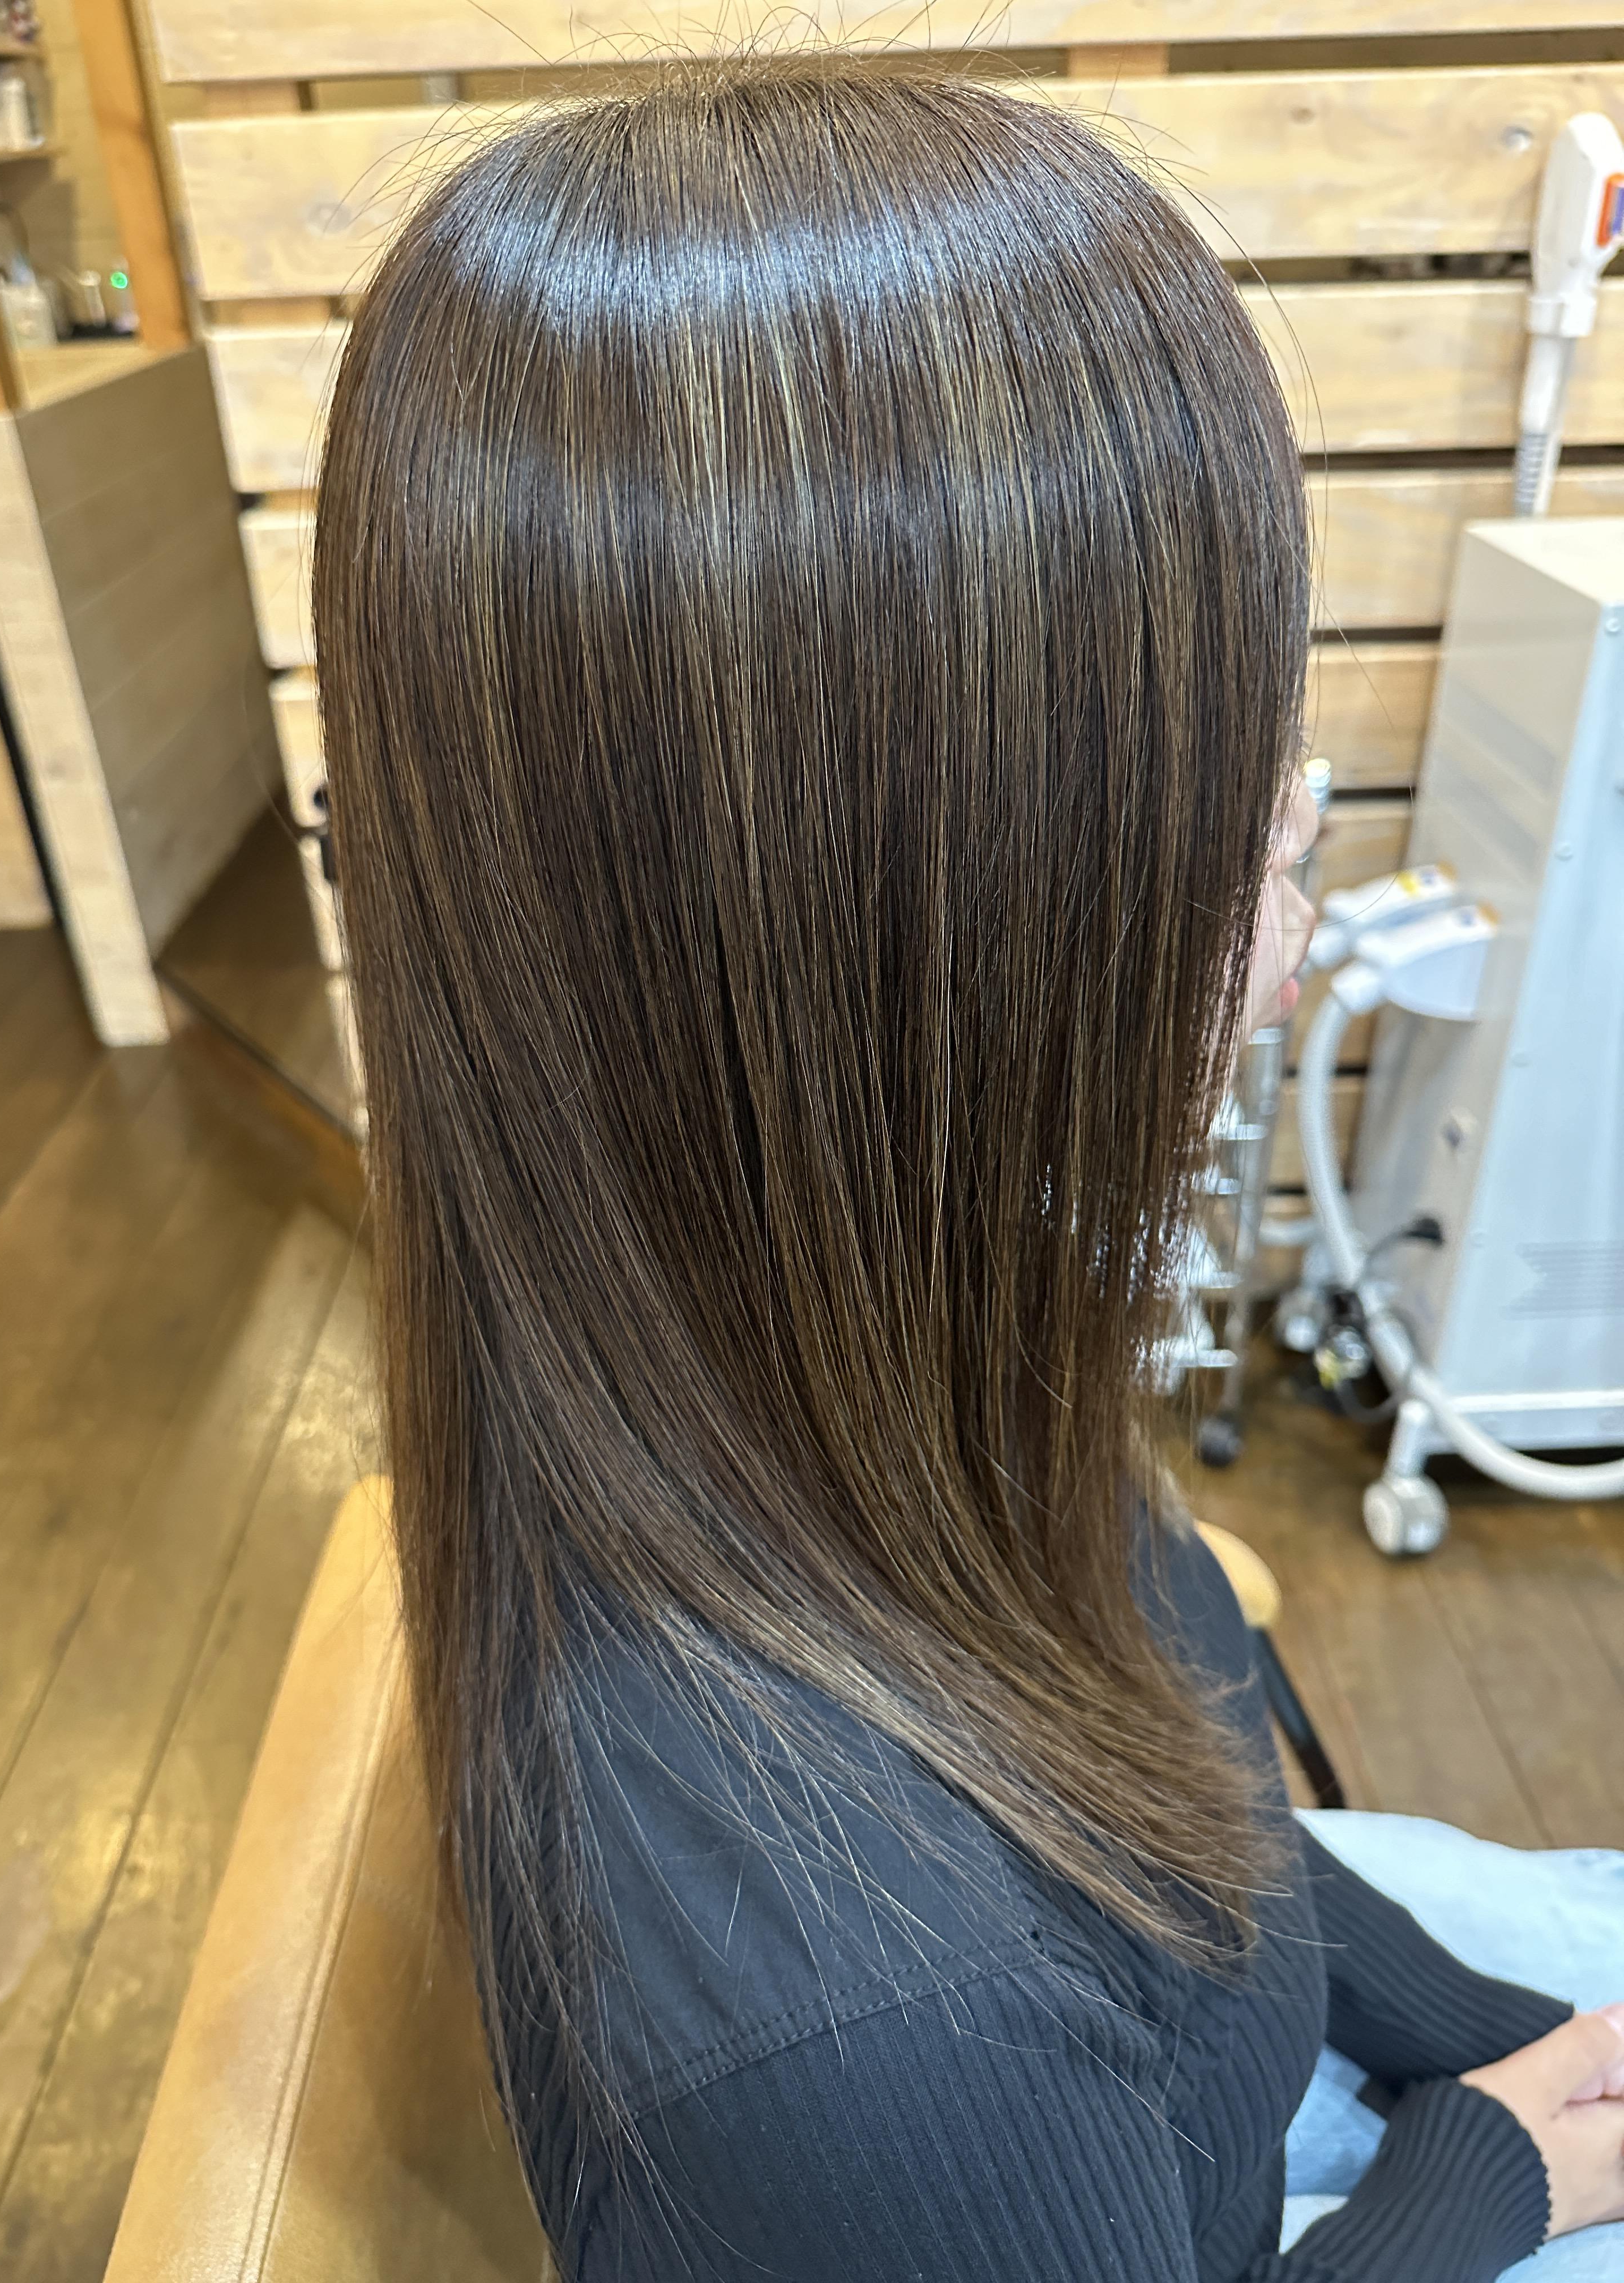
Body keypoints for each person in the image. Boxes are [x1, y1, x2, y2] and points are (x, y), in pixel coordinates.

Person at [311, 57, 1624, 2282]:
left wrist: (1503, 2044)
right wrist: (1482, 2174)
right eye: (1254, 832)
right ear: (925, 934)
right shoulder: (879, 2034)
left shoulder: (820, 1349)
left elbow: (1176, 1785)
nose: (1295, 932)